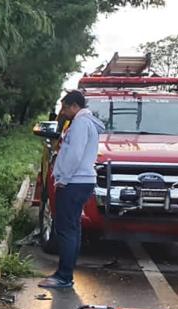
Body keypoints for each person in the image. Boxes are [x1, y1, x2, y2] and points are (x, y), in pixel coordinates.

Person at [39, 90, 104, 289]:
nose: (63, 111)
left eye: (65, 107)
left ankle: (64, 276)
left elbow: (74, 155)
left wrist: (63, 179)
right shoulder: (84, 123)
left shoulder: (80, 125)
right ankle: (65, 273)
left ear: (75, 106)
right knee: (72, 229)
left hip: (74, 182)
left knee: (66, 229)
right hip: (79, 181)